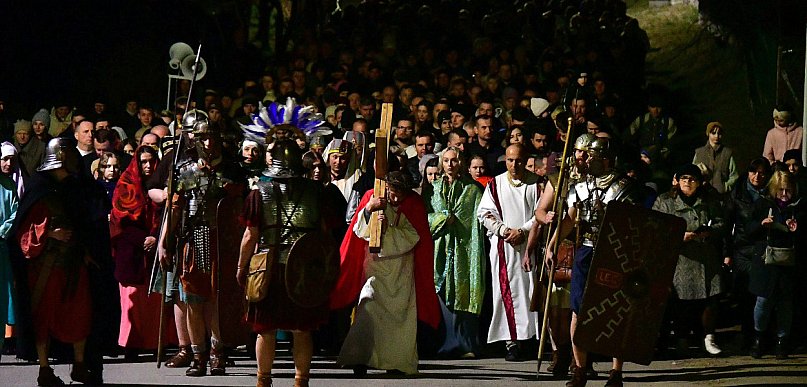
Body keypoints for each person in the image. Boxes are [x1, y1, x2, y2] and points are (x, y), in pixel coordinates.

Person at [13, 137, 115, 385]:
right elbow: (24, 231)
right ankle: (45, 369)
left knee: (80, 314)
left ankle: (80, 365)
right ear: (60, 156)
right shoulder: (39, 187)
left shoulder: (76, 187)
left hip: (74, 262)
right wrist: (48, 233)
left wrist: (88, 249)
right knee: (43, 317)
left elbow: (86, 221)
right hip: (46, 266)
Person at [237, 139, 336, 387]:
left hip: (269, 268)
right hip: (305, 269)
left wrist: (241, 267)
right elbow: (325, 234)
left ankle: (263, 380)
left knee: (266, 328)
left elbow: (251, 235)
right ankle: (301, 380)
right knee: (302, 329)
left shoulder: (259, 192)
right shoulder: (317, 192)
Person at [154, 111, 246, 377]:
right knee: (194, 300)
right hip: (192, 240)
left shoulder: (232, 170)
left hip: (222, 241)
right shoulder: (184, 170)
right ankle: (198, 356)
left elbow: (240, 208)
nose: (207, 144)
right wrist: (165, 242)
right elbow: (174, 209)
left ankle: (218, 354)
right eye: (202, 138)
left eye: (211, 138)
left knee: (217, 299)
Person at [546, 137, 642, 386]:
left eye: (591, 157)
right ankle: (579, 369)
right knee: (577, 309)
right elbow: (569, 219)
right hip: (586, 251)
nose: (586, 160)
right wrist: (553, 244)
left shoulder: (624, 187)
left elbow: (633, 225)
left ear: (605, 160)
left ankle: (616, 372)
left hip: (613, 252)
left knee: (614, 310)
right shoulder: (580, 186)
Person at [332, 171, 441, 375]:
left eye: (401, 193)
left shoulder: (413, 204)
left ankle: (396, 363)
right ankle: (360, 358)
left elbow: (414, 236)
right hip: (374, 269)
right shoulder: (372, 196)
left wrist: (387, 231)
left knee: (399, 320)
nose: (396, 198)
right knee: (367, 309)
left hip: (401, 271)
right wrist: (369, 210)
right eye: (393, 193)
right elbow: (358, 230)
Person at [652, 164, 726, 358]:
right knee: (681, 303)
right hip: (680, 260)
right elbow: (655, 227)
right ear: (677, 180)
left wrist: (708, 232)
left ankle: (709, 337)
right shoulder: (665, 201)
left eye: (692, 179)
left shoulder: (708, 200)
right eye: (683, 178)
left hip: (705, 257)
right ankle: (681, 338)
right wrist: (678, 236)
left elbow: (720, 222)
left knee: (711, 298)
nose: (687, 182)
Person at [477, 144, 541, 361]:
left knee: (530, 292)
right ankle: (511, 342)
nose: (514, 165)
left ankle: (530, 339)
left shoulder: (537, 184)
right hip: (504, 247)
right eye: (510, 160)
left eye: (519, 160)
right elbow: (485, 213)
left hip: (529, 245)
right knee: (505, 293)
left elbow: (542, 212)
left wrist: (523, 231)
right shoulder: (496, 184)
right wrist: (505, 231)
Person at [110, 145, 175, 355]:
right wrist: (143, 239)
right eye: (143, 162)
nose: (147, 166)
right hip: (132, 252)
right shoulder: (125, 186)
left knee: (155, 301)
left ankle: (156, 342)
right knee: (133, 300)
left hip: (157, 248)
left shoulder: (162, 186)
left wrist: (156, 238)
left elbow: (167, 215)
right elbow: (120, 221)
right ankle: (132, 344)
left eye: (151, 161)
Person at [423, 147, 485, 358]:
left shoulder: (473, 190)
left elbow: (478, 222)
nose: (450, 164)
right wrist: (442, 218)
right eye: (446, 160)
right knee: (442, 295)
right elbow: (426, 218)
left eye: (454, 160)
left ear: (461, 162)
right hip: (440, 248)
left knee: (464, 292)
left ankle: (466, 344)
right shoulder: (433, 189)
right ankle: (445, 344)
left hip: (464, 251)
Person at [746, 170, 803, 359]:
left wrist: (797, 228)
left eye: (788, 190)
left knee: (786, 303)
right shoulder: (763, 204)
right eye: (780, 191)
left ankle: (782, 341)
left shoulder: (799, 206)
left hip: (789, 262)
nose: (785, 195)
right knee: (763, 301)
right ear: (773, 189)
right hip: (765, 261)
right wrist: (762, 224)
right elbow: (747, 231)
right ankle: (758, 338)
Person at [692, 121, 738, 194]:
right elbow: (692, 173)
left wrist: (725, 187)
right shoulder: (699, 152)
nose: (716, 136)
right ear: (708, 134)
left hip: (720, 196)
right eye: (713, 133)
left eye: (719, 133)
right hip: (702, 194)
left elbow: (734, 175)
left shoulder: (727, 153)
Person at [0, 171, 16, 363]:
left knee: (2, 298)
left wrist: (2, 231)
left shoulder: (8, 185)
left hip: (2, 247)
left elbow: (14, 212)